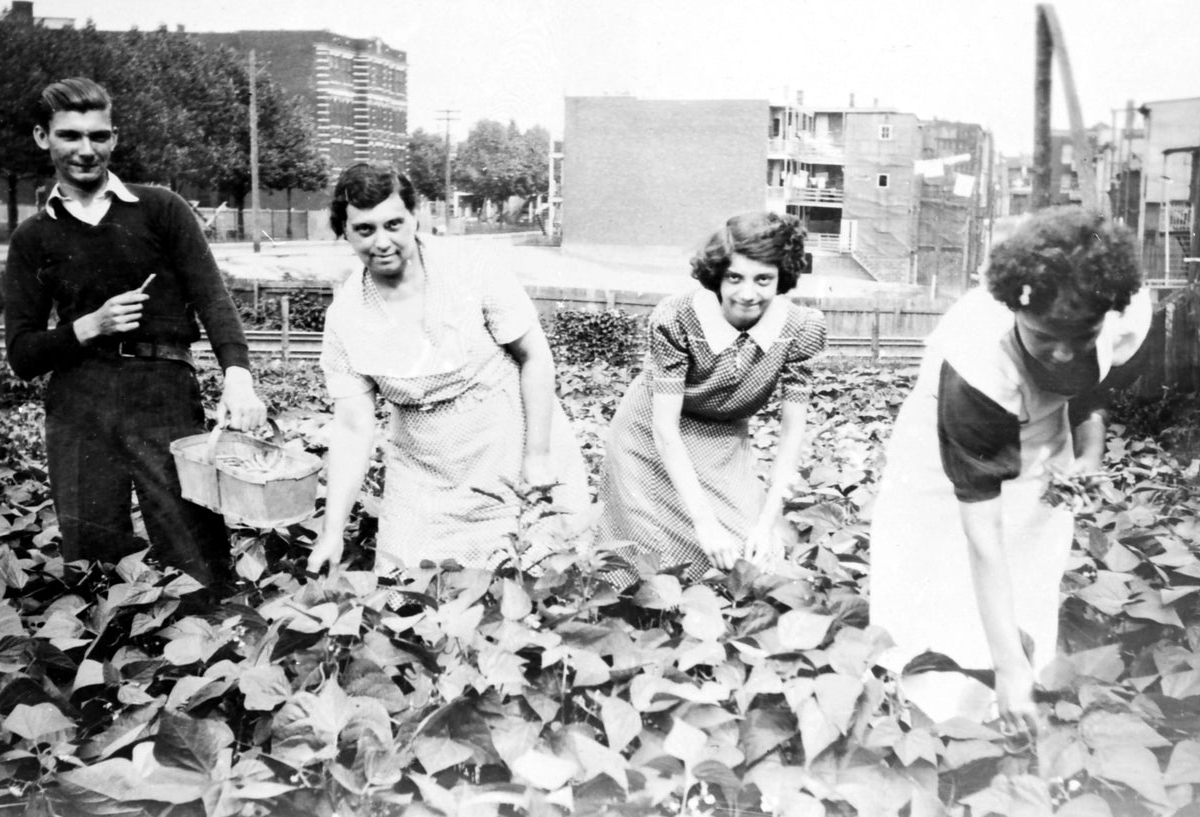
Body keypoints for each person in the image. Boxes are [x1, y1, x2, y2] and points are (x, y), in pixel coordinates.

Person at [869, 206, 1150, 733]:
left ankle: (1014, 697)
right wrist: (1006, 667)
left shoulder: (1121, 315)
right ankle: (933, 719)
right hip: (946, 449)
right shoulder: (975, 359)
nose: (1064, 354)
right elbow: (982, 535)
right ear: (1017, 313)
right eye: (1045, 338)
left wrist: (1088, 457)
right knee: (938, 575)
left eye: (1082, 336)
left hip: (1041, 432)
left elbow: (1090, 387)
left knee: (1031, 559)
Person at [2, 77, 266, 593]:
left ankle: (206, 653)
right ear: (42, 138)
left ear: (115, 139)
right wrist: (89, 326)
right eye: (70, 135)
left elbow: (212, 298)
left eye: (98, 136)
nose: (86, 149)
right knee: (94, 558)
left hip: (162, 392)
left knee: (195, 551)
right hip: (79, 403)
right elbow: (22, 355)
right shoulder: (32, 237)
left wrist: (238, 376)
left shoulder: (160, 208)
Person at [307, 163, 588, 575]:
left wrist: (539, 454)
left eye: (394, 224)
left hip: (509, 448)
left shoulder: (471, 268)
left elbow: (535, 357)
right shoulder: (346, 317)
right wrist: (332, 531)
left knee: (529, 585)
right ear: (344, 232)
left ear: (414, 218)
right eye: (365, 229)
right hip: (423, 471)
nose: (382, 242)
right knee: (410, 591)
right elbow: (353, 428)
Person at [596, 212, 827, 582]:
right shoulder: (677, 318)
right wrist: (704, 524)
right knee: (653, 557)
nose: (747, 294)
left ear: (782, 278)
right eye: (734, 277)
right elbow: (665, 429)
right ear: (717, 275)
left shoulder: (802, 329)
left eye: (763, 279)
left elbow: (791, 435)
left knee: (749, 554)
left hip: (723, 437)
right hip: (650, 434)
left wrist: (766, 522)